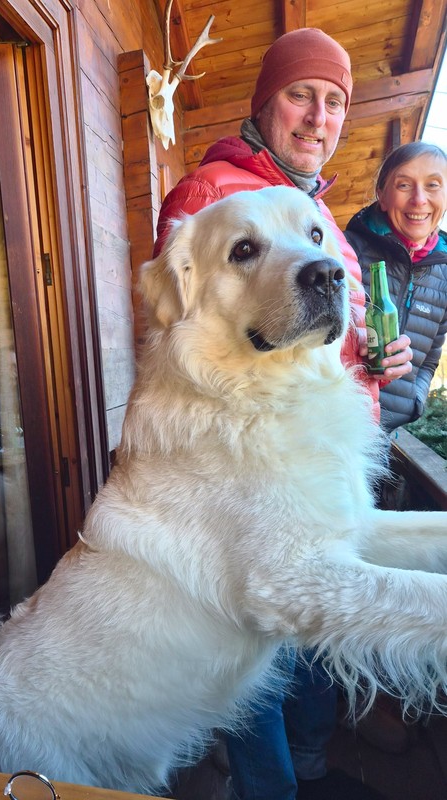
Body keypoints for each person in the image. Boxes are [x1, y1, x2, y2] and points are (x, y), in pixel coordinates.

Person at [153, 27, 414, 800]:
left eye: (334, 101)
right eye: (300, 94)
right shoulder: (213, 195)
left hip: (309, 457)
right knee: (256, 642)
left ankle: (301, 767)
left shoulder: (304, 207)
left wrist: (364, 353)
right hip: (258, 467)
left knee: (289, 641)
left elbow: (308, 332)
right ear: (264, 102)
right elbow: (192, 341)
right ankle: (269, 786)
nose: (317, 116)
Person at [345, 141, 447, 433]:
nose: (419, 199)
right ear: (382, 195)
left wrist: (415, 400)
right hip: (332, 423)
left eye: (433, 185)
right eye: (404, 185)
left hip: (389, 431)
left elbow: (430, 357)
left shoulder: (445, 272)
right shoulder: (346, 248)